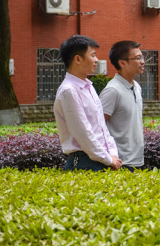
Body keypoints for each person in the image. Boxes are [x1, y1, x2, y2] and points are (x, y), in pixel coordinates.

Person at [53, 35, 121, 171]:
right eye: (93, 55)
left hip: (102, 159)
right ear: (78, 59)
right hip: (84, 162)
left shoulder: (88, 87)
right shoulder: (69, 91)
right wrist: (108, 159)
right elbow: (83, 132)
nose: (97, 60)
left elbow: (102, 127)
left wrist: (113, 154)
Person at [99, 40, 145, 171]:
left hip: (138, 160)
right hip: (120, 162)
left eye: (142, 57)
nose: (142, 61)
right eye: (137, 58)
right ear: (122, 63)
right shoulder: (112, 90)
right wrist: (108, 157)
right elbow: (98, 126)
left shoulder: (136, 87)